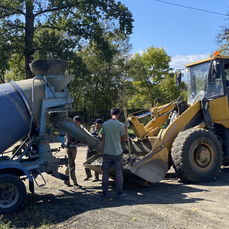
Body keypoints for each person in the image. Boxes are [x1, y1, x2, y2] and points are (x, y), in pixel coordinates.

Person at [101, 107, 128, 198]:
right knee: (119, 173)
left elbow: (103, 139)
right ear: (119, 114)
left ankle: (104, 192)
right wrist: (126, 128)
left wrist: (104, 150)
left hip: (107, 152)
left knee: (105, 173)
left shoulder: (105, 124)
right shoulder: (120, 125)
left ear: (110, 114)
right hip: (117, 152)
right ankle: (119, 192)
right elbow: (124, 139)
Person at [64, 116, 83, 189]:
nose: (80, 123)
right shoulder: (69, 127)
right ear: (75, 121)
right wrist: (77, 143)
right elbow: (69, 139)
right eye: (79, 122)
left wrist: (80, 142)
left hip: (74, 148)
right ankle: (75, 182)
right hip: (69, 148)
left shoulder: (76, 128)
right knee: (72, 165)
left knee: (70, 165)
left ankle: (66, 179)